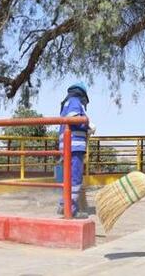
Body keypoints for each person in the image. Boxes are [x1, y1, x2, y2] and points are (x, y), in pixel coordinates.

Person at [57, 81, 95, 218]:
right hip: (75, 146)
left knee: (67, 178)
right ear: (82, 94)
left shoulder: (65, 104)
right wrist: (88, 124)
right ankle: (71, 209)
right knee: (75, 178)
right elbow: (75, 119)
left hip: (66, 146)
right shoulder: (74, 102)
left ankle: (64, 204)